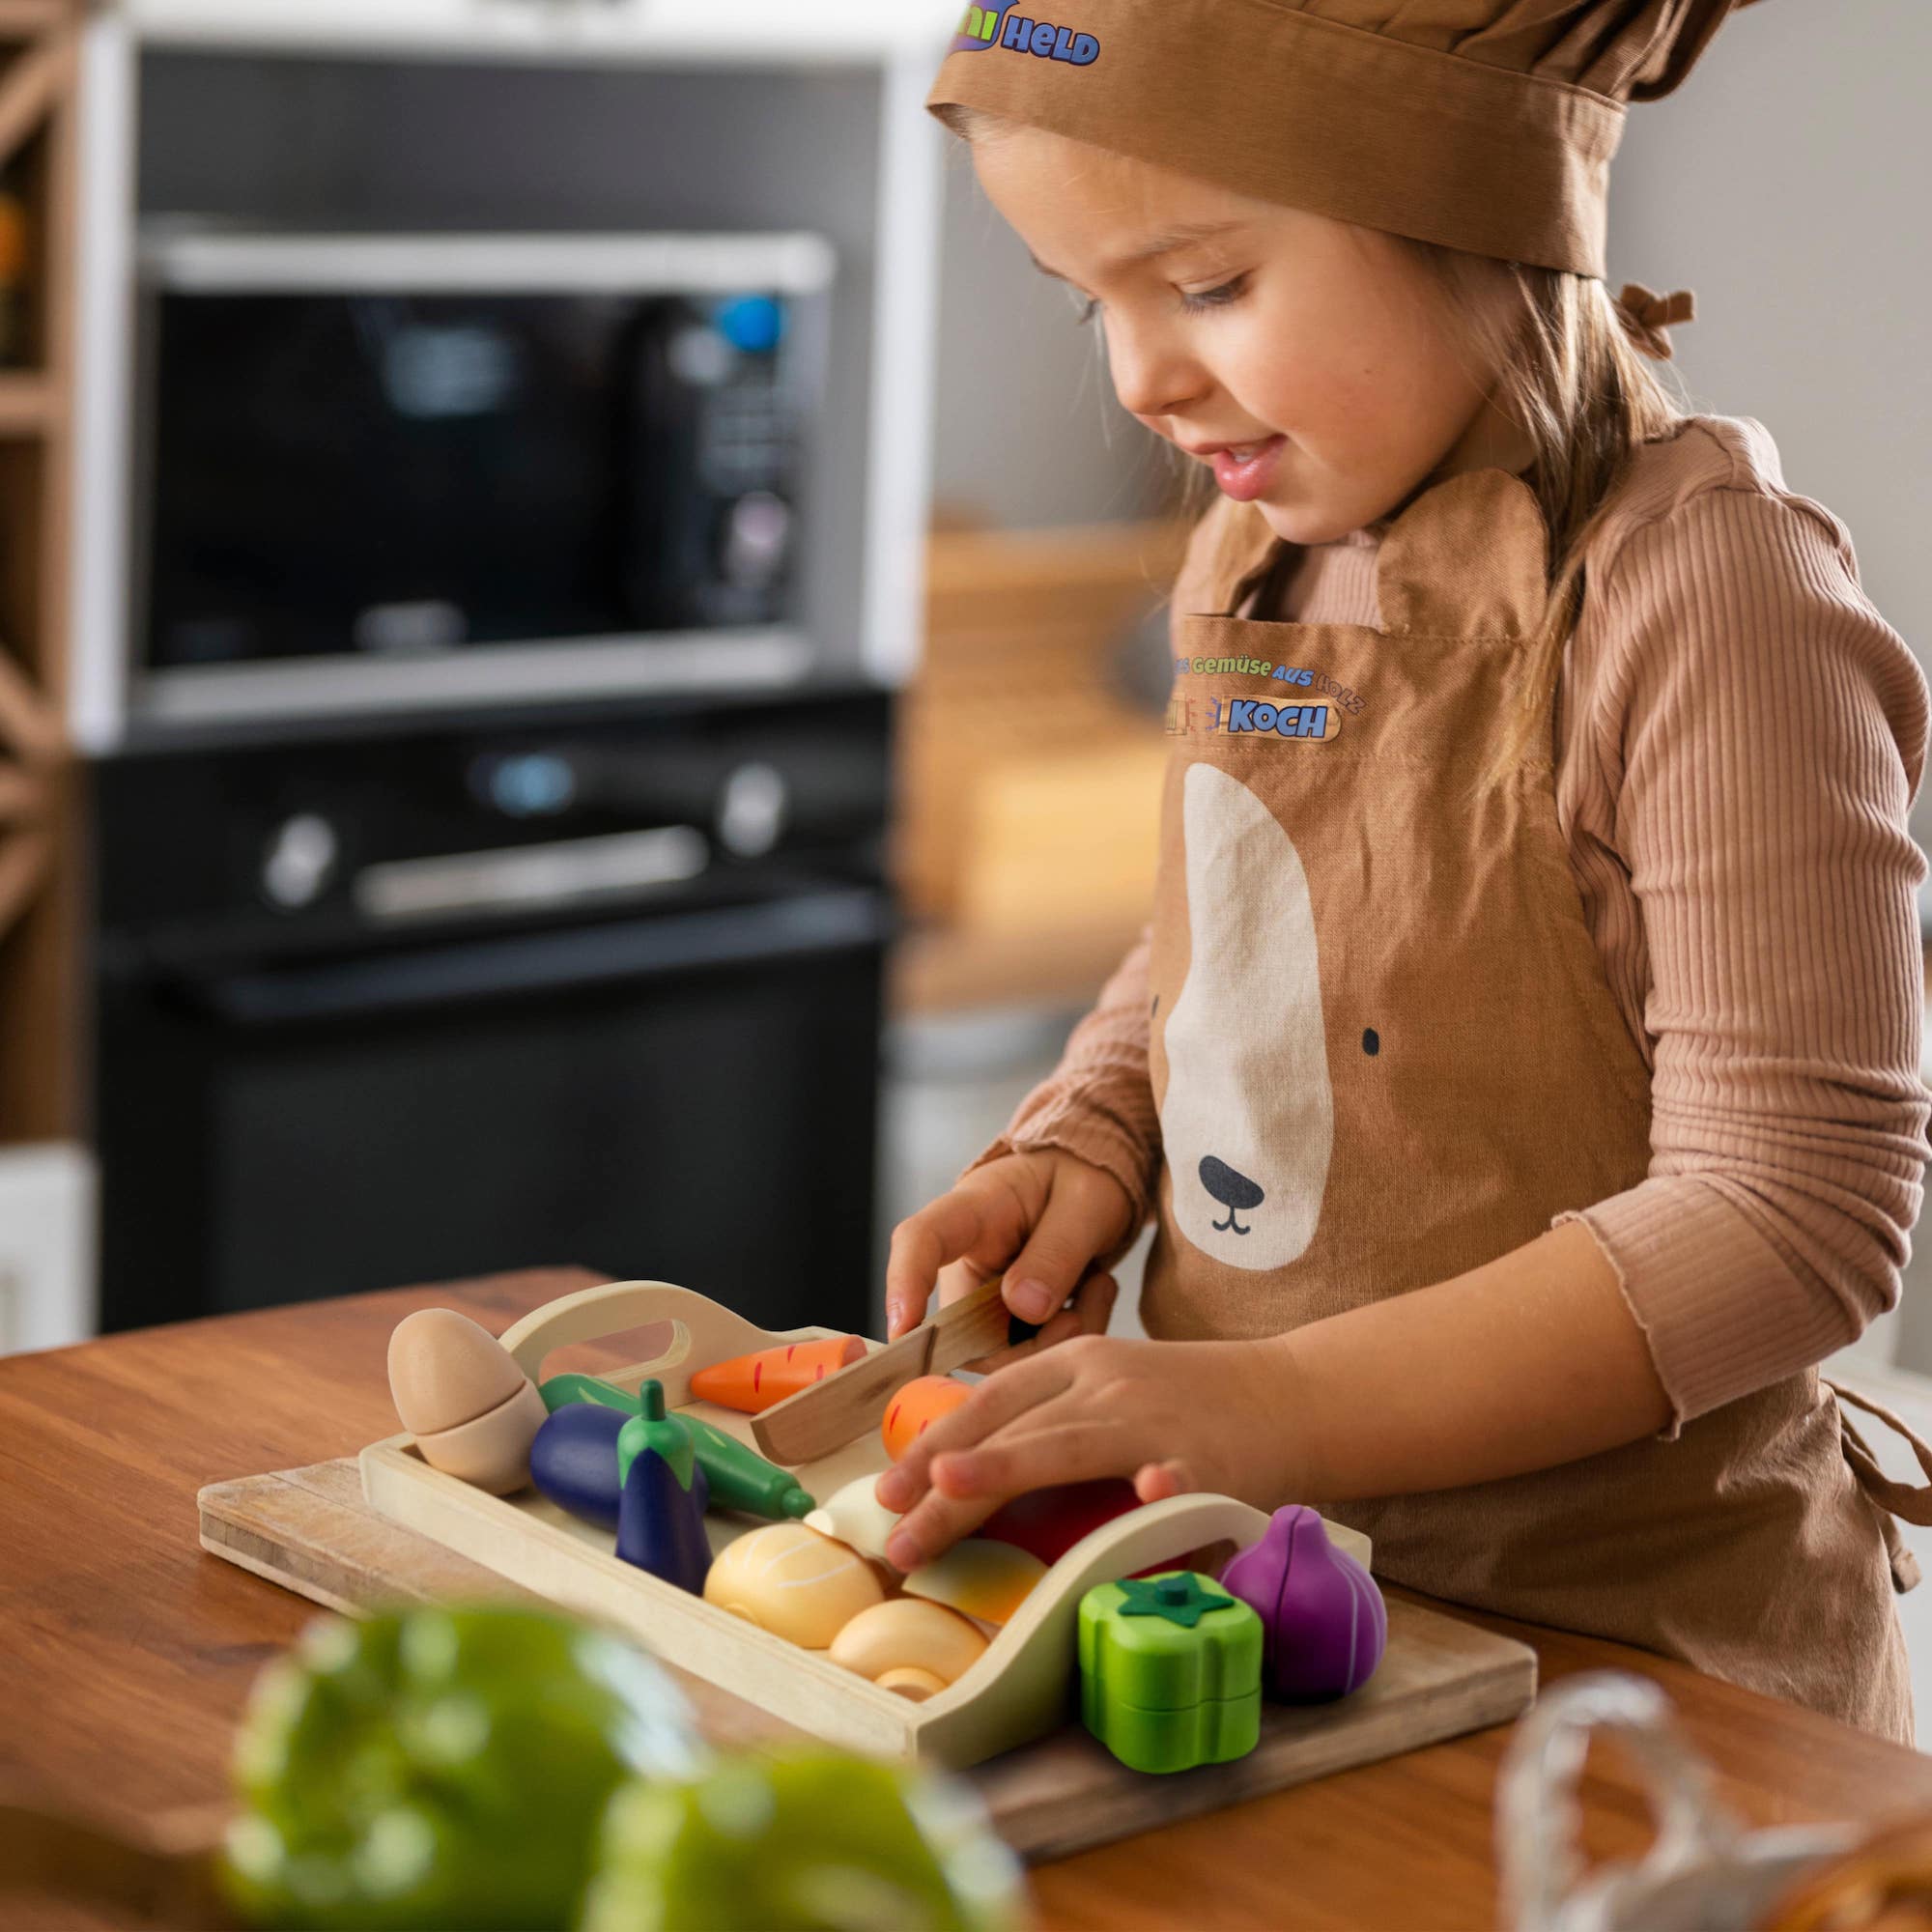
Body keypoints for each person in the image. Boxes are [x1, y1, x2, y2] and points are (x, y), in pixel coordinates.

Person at [876, 0, 1932, 1741]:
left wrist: (1275, 1403)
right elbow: (1216, 929)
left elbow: (1791, 1213)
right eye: (1094, 305)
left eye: (1205, 285)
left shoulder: (1707, 601)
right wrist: (1095, 1127)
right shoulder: (1257, 552)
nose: (1138, 376)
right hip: (1241, 1615)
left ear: (1475, 221)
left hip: (1631, 1683)